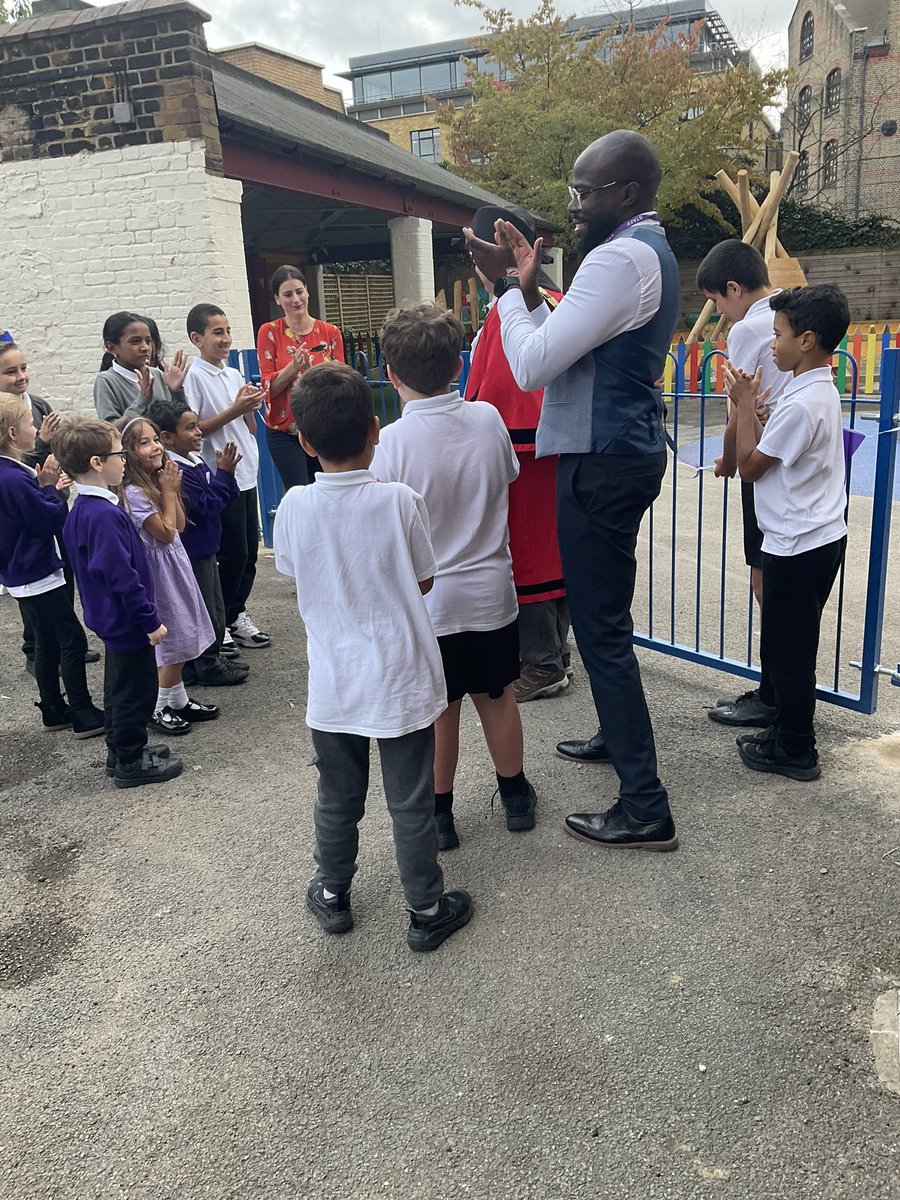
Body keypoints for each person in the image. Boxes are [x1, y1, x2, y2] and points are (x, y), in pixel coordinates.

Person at [465, 130, 679, 851]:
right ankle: (617, 742)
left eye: (584, 192)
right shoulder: (645, 251)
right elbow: (567, 341)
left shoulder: (617, 260)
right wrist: (527, 288)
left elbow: (531, 366)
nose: (573, 205)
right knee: (601, 619)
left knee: (603, 630)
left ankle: (645, 806)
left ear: (625, 193)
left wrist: (504, 292)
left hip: (601, 457)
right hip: (619, 451)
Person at [273, 361, 471, 952]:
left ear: (304, 442)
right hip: (401, 677)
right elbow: (425, 580)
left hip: (334, 685)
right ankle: (427, 908)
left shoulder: (292, 508)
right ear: (375, 431)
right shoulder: (400, 502)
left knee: (337, 796)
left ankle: (333, 894)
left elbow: (293, 572)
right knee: (410, 800)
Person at [371, 304, 536, 853]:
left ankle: (440, 814)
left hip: (431, 604)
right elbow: (508, 476)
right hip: (492, 592)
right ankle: (514, 794)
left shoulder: (391, 443)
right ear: (458, 364)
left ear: (392, 373)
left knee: (442, 709)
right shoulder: (487, 418)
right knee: (498, 694)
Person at [722, 284, 850, 781]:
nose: (772, 345)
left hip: (799, 543)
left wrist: (746, 401)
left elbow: (750, 468)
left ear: (808, 340)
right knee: (787, 643)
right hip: (811, 536)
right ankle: (785, 733)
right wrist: (758, 414)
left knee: (789, 651)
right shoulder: (813, 389)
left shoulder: (803, 402)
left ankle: (797, 747)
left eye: (779, 335)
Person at [464, 205, 571, 703]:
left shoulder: (517, 306)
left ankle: (543, 663)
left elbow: (510, 390)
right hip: (549, 453)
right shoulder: (552, 298)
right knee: (551, 554)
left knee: (528, 559)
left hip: (525, 456)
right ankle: (556, 654)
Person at [53, 417, 182, 788]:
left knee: (118, 686)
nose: (123, 460)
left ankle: (122, 750)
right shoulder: (103, 515)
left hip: (112, 618)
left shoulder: (85, 509)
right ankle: (130, 760)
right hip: (126, 620)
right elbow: (121, 577)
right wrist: (149, 621)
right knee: (134, 692)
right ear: (97, 462)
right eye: (117, 453)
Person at [696, 240, 793, 725]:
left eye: (717, 299)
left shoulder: (747, 329)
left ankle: (774, 694)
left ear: (734, 288)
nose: (717, 309)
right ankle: (774, 688)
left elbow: (740, 408)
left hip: (763, 460)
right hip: (794, 459)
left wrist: (729, 463)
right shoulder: (789, 310)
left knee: (763, 579)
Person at [0, 394, 104, 737]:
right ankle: (82, 711)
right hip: (37, 570)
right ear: (13, 433)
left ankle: (53, 707)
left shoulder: (10, 471)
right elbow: (44, 520)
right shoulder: (13, 478)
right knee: (70, 640)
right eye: (30, 423)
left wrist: (45, 488)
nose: (36, 429)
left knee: (45, 640)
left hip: (21, 572)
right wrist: (49, 490)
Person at [0, 339, 99, 675]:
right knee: (36, 595)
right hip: (32, 511)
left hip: (49, 499)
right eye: (10, 371)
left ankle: (60, 639)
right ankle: (40, 650)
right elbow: (21, 463)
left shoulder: (37, 404)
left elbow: (54, 451)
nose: (20, 376)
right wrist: (42, 444)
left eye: (23, 368)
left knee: (62, 577)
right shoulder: (7, 421)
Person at [119, 416, 219, 736]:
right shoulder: (135, 491)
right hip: (158, 572)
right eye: (144, 442)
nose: (155, 447)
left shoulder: (154, 481)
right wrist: (169, 492)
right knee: (172, 636)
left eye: (155, 440)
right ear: (128, 453)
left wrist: (167, 490)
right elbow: (165, 532)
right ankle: (158, 705)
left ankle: (178, 699)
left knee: (184, 628)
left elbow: (176, 528)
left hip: (172, 565)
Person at [144, 395, 249, 688]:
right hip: (193, 551)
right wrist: (225, 475)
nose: (198, 432)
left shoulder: (195, 461)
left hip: (208, 547)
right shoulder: (174, 472)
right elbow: (204, 506)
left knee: (212, 606)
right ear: (167, 437)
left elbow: (224, 497)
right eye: (190, 428)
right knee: (205, 610)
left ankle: (200, 662)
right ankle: (207, 664)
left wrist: (225, 480)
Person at [183, 303, 270, 654]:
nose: (226, 339)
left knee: (249, 550)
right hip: (221, 475)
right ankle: (220, 620)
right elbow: (194, 429)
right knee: (231, 552)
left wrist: (249, 408)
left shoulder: (233, 374)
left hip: (246, 471)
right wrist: (235, 409)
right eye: (217, 332)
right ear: (196, 338)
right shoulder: (194, 377)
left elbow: (247, 426)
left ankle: (235, 613)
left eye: (228, 331)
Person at [256, 264, 345, 491]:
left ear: (307, 292)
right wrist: (292, 369)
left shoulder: (330, 332)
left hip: (323, 427)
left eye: (299, 291)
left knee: (329, 491)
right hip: (284, 431)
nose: (295, 299)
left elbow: (342, 383)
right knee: (299, 493)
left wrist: (314, 374)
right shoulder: (269, 332)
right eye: (287, 294)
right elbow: (268, 389)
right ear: (277, 299)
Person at [93, 312, 191, 422]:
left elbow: (182, 424)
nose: (145, 347)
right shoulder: (107, 381)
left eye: (148, 341)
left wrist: (176, 392)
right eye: (135, 341)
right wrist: (143, 398)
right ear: (111, 348)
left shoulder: (157, 374)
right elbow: (112, 430)